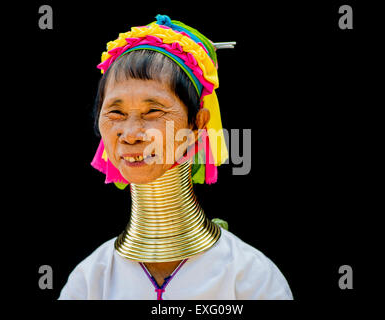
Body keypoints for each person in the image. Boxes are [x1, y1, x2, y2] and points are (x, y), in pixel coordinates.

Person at [58, 15, 293, 300]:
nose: (131, 134)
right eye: (116, 113)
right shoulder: (89, 283)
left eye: (153, 112)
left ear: (197, 125)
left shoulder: (251, 280)